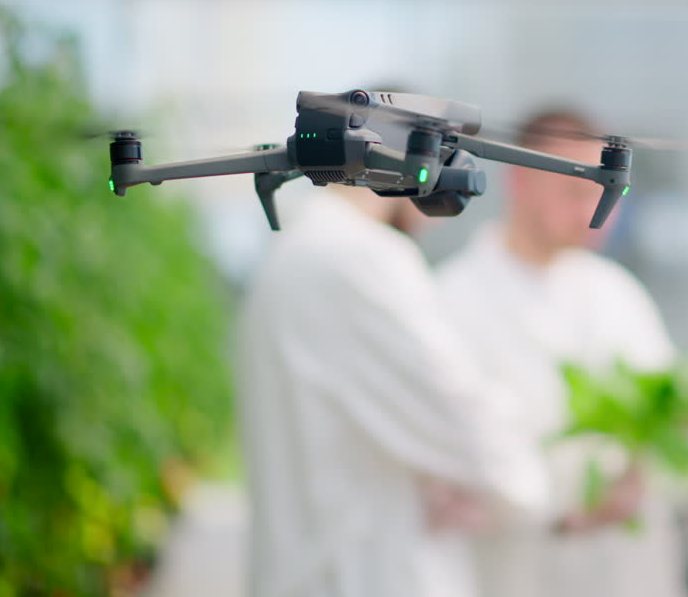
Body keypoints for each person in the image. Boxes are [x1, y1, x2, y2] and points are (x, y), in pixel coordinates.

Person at [234, 183, 547, 597]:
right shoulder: (360, 256)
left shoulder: (293, 251)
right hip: (364, 575)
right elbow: (467, 420)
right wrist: (515, 487)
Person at [435, 106, 687, 597]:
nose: (594, 211)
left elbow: (666, 419)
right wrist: (558, 509)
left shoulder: (619, 295)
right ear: (521, 182)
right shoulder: (450, 302)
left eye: (604, 190)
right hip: (515, 572)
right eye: (574, 190)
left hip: (620, 571)